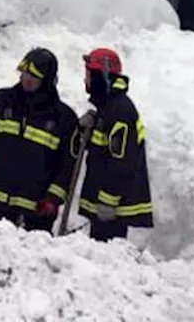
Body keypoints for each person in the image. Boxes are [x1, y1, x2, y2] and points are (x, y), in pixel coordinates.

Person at [0, 48, 79, 231]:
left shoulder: (64, 118)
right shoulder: (6, 100)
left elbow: (67, 165)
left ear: (47, 80)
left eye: (34, 76)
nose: (27, 79)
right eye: (24, 73)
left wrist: (53, 200)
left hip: (36, 209)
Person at [77, 47, 154, 242]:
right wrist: (84, 130)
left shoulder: (120, 110)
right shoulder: (107, 108)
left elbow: (122, 161)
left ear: (100, 76)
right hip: (105, 203)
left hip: (112, 208)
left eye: (88, 75)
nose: (85, 80)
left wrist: (108, 200)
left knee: (106, 256)